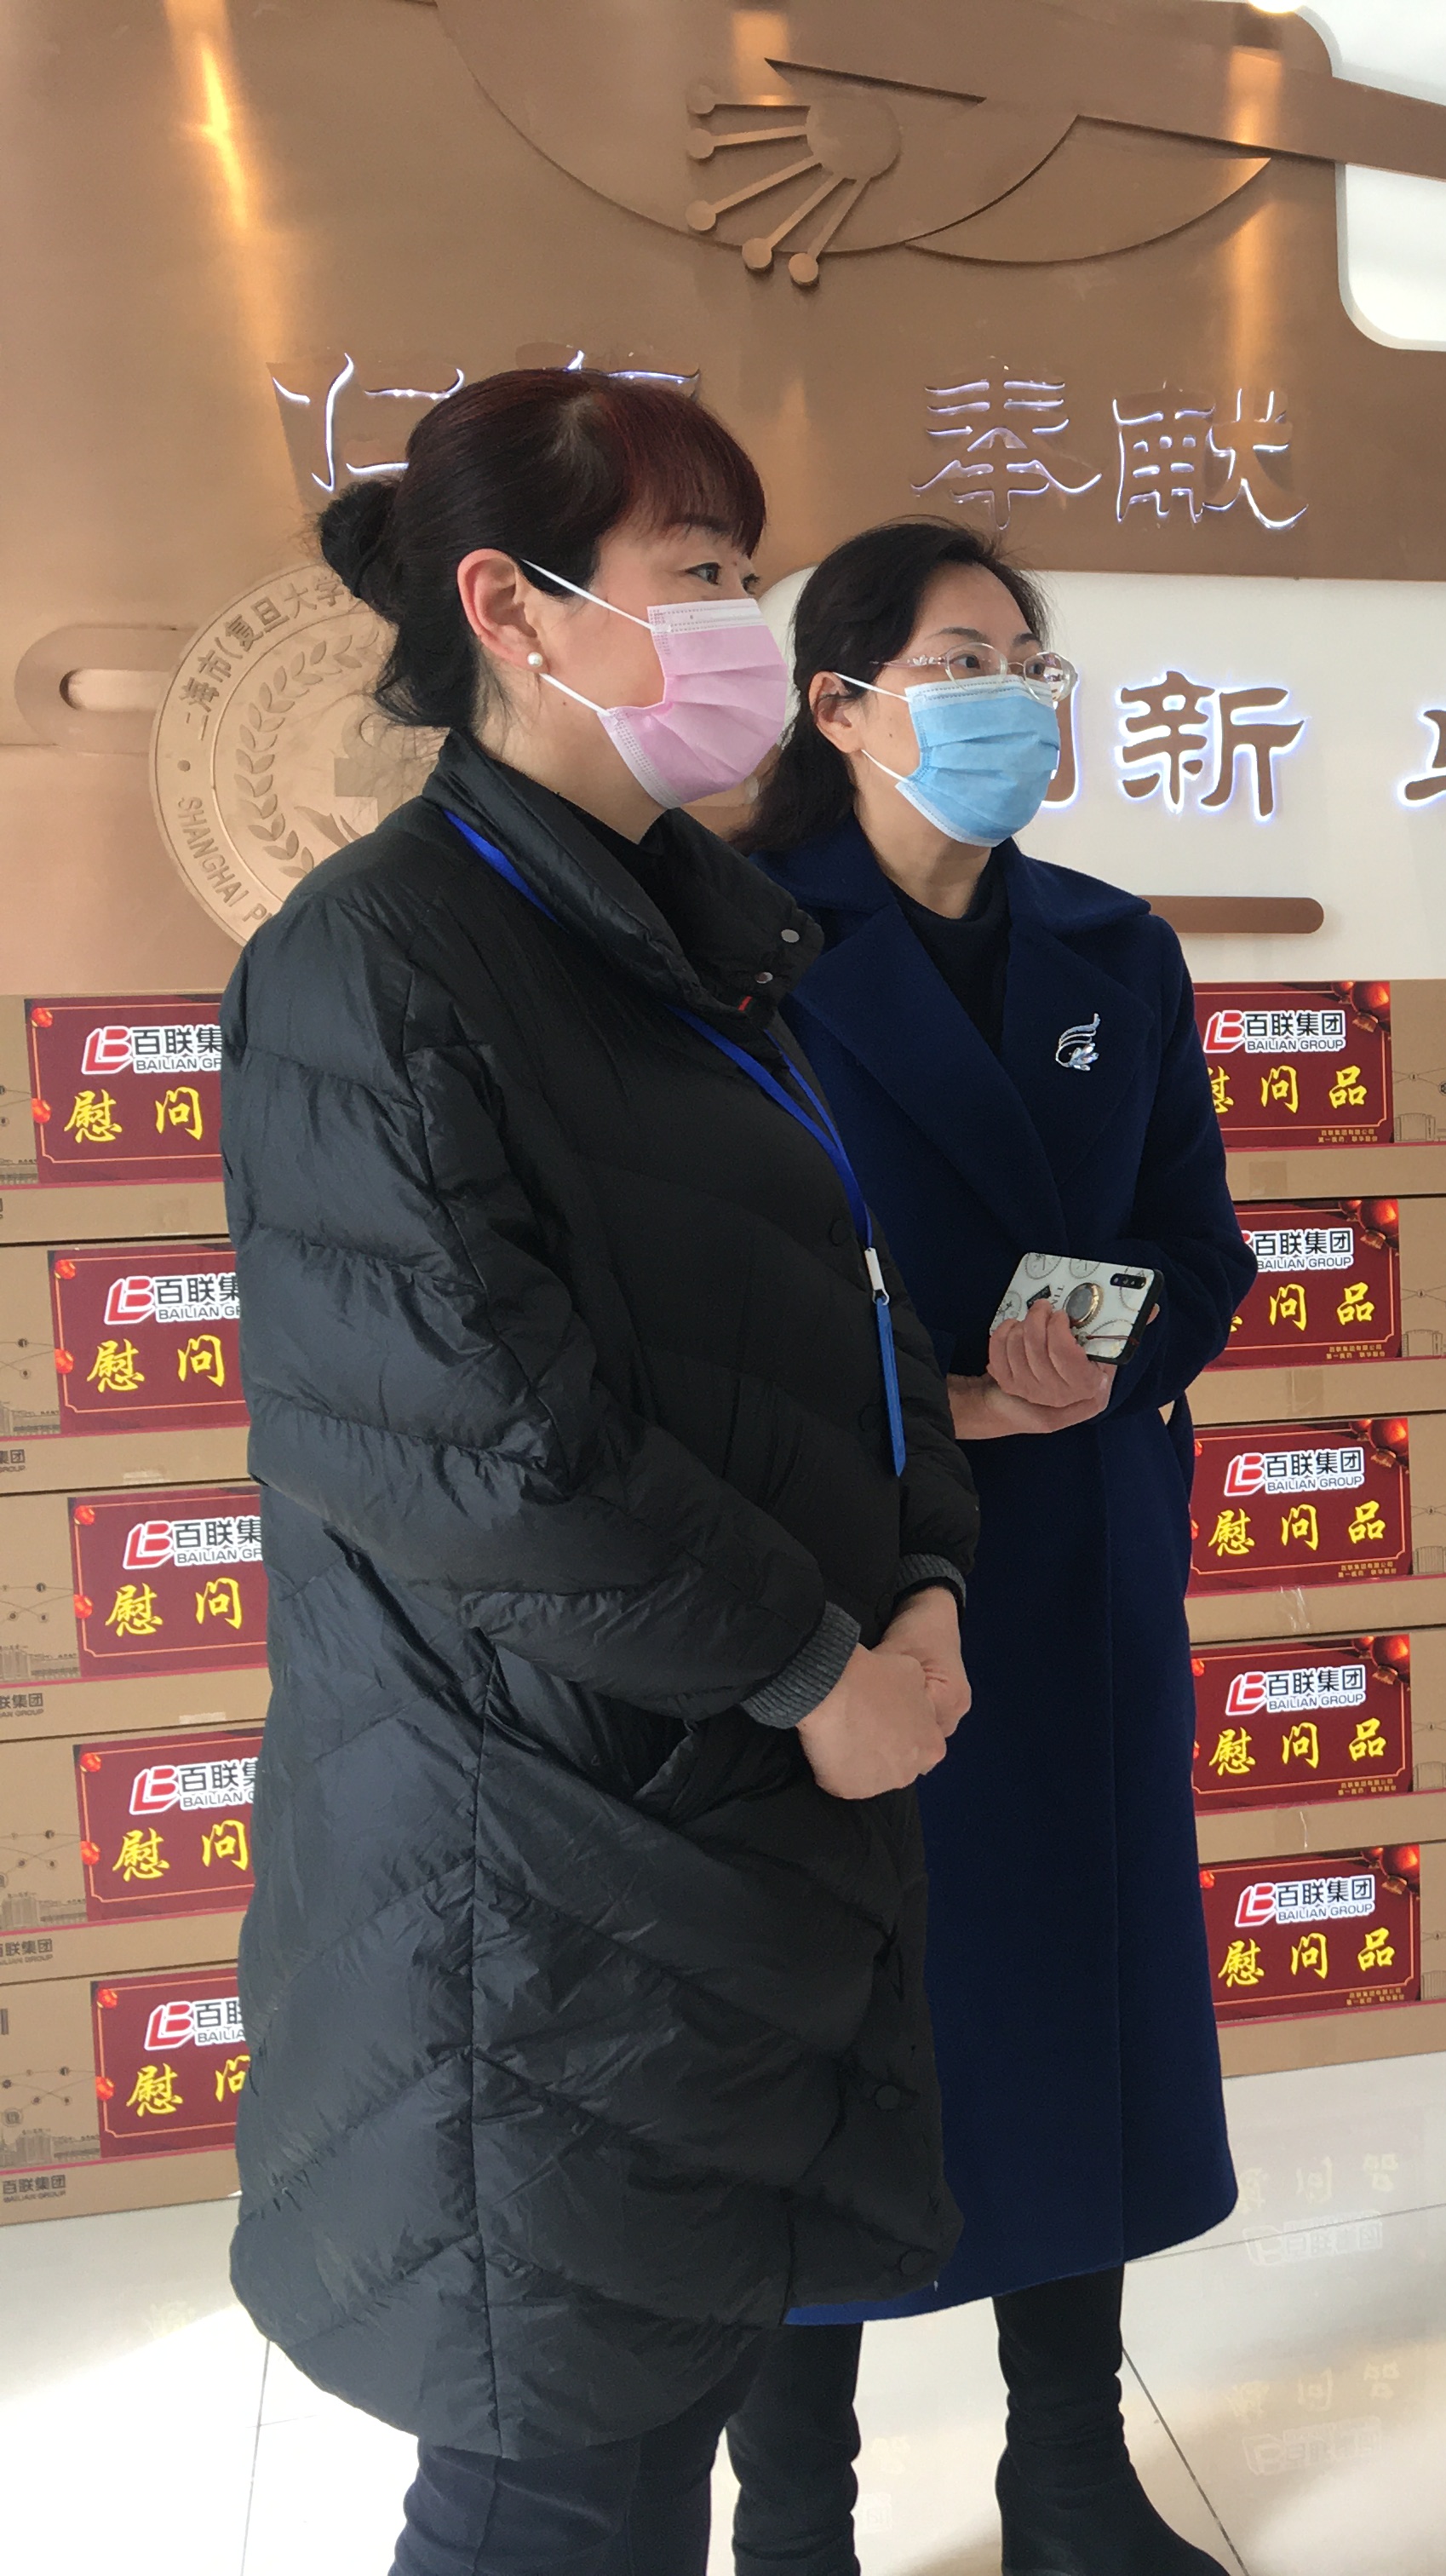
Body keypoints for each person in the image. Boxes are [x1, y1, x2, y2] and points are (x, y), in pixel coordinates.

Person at [221, 371, 979, 2576]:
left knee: (645, 2438)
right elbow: (479, 1448)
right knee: (547, 2481)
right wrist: (813, 1667)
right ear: (512, 608)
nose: (747, 621)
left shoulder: (687, 940)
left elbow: (857, 1308)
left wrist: (930, 1581)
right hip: (535, 1889)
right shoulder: (376, 964)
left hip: (704, 1852)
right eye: (704, 573)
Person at [722, 520, 1255, 2576]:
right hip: (839, 1569)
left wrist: (1109, 1359)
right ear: (841, 704)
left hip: (1077, 1552)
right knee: (827, 2034)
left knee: (1070, 2012)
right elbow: (704, 1293)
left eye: (1030, 664)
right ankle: (797, 2521)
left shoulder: (1118, 946)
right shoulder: (735, 942)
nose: (1013, 700)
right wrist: (941, 1396)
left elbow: (1198, 1241)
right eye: (962, 663)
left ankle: (1073, 2479)